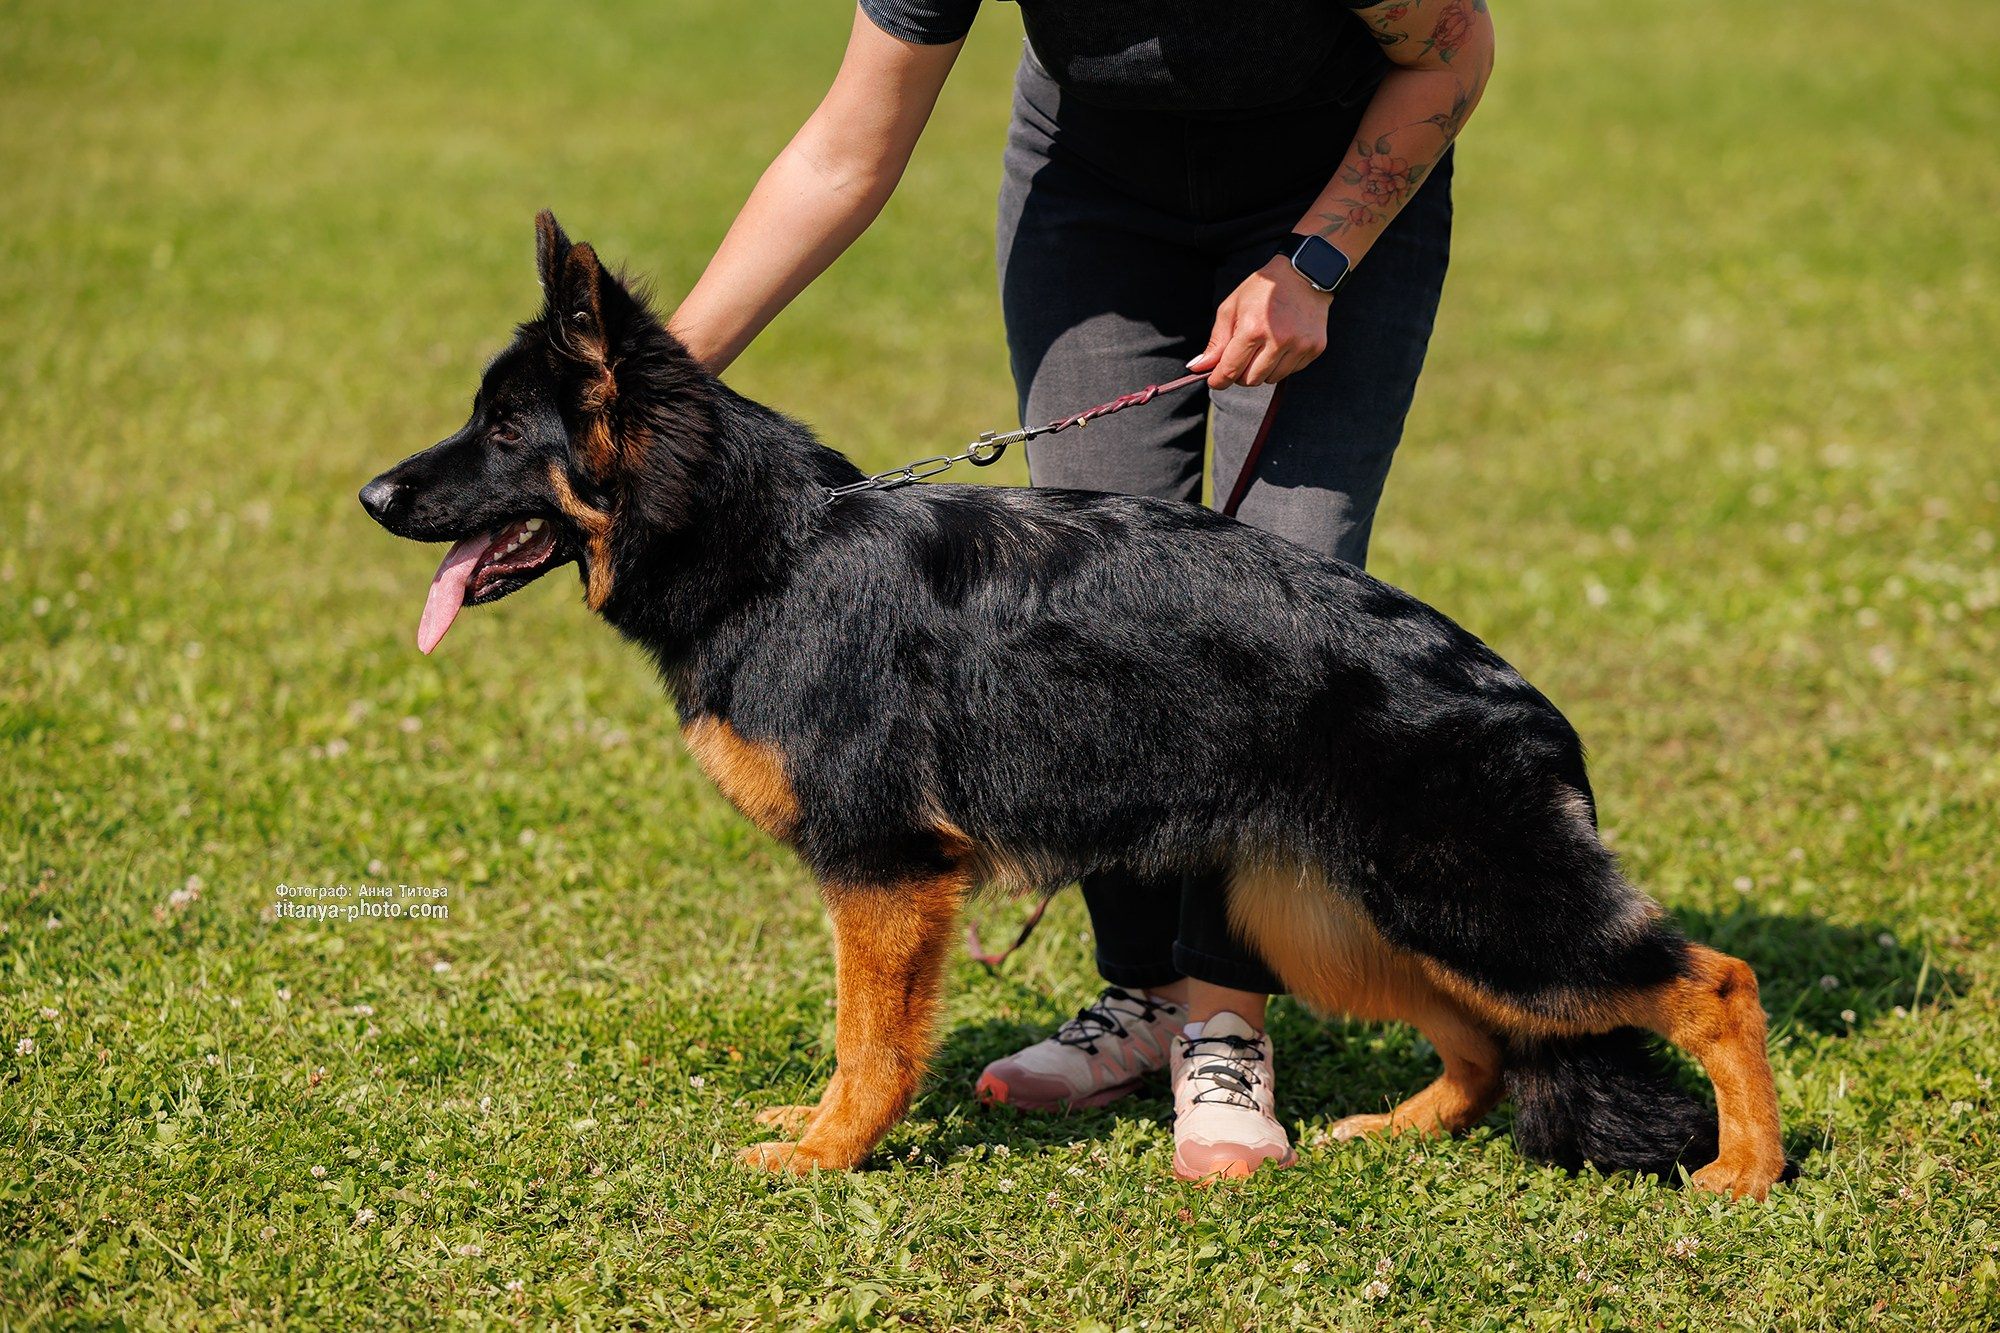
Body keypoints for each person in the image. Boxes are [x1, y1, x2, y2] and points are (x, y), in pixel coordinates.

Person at [667, 0, 1497, 1180]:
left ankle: (1224, 1031)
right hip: (1094, 194)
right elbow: (843, 147)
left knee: (1274, 617)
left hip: (1333, 181)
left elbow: (1454, 53)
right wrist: (649, 387)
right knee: (1083, 624)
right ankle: (1149, 992)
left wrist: (1311, 262)